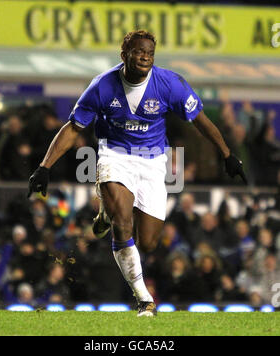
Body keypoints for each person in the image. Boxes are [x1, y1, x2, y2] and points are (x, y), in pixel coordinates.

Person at [27, 30, 247, 317]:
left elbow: (201, 121)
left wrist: (228, 155)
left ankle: (105, 214)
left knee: (149, 242)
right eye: (138, 51)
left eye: (150, 53)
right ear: (124, 55)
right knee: (123, 223)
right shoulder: (102, 86)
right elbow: (73, 128)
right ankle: (145, 300)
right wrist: (45, 166)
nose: (145, 56)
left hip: (154, 162)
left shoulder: (170, 84)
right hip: (114, 155)